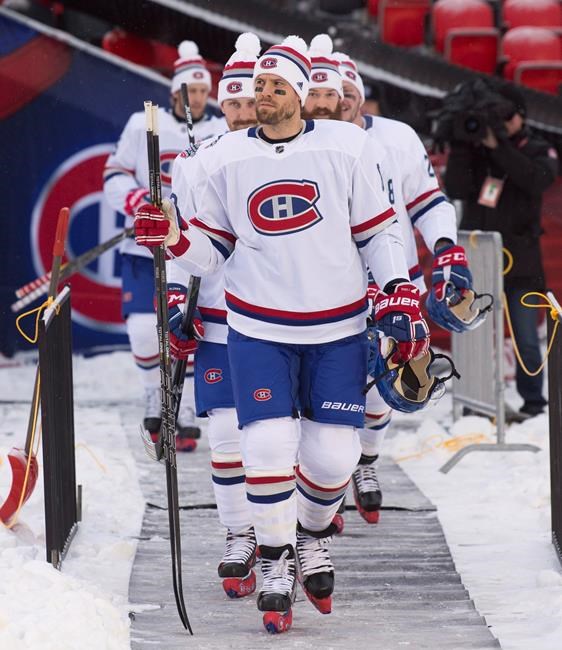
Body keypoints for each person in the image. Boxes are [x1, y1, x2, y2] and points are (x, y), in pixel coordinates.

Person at [134, 34, 430, 634]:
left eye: (275, 86)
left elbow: (379, 231)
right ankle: (272, 559)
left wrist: (398, 289)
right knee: (263, 448)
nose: (262, 96)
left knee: (331, 457)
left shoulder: (347, 148)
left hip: (337, 327)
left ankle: (312, 534)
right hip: (256, 327)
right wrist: (171, 239)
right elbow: (209, 251)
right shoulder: (222, 157)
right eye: (256, 86)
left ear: (297, 93)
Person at [306, 43, 466, 527]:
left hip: (393, 279)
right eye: (331, 93)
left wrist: (446, 249)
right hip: (325, 287)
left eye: (348, 91)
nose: (341, 100)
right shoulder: (296, 144)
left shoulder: (395, 138)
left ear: (357, 95)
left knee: (384, 387)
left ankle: (367, 463)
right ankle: (318, 487)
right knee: (315, 391)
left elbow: (428, 200)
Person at [169, 32, 261, 600]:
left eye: (250, 102)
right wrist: (178, 304)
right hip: (219, 318)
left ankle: (286, 537)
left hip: (284, 323)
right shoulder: (195, 161)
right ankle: (238, 535)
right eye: (232, 103)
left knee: (282, 443)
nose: (240, 113)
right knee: (224, 437)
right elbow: (180, 241)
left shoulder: (296, 153)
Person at [103, 40, 226, 448]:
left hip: (191, 246)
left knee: (187, 326)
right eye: (191, 91)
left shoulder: (220, 130)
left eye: (204, 92)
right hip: (144, 249)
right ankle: (155, 396)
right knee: (142, 330)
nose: (198, 98)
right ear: (175, 92)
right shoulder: (144, 125)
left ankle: (184, 403)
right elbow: (114, 174)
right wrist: (138, 200)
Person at [444, 83, 558, 417]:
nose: (501, 123)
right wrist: (465, 146)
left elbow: (536, 179)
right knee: (475, 334)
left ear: (521, 117)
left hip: (521, 262)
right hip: (479, 260)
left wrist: (500, 146)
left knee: (524, 338)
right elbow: (456, 187)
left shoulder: (539, 148)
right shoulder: (476, 151)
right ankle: (475, 403)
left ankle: (534, 404)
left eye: (507, 117)